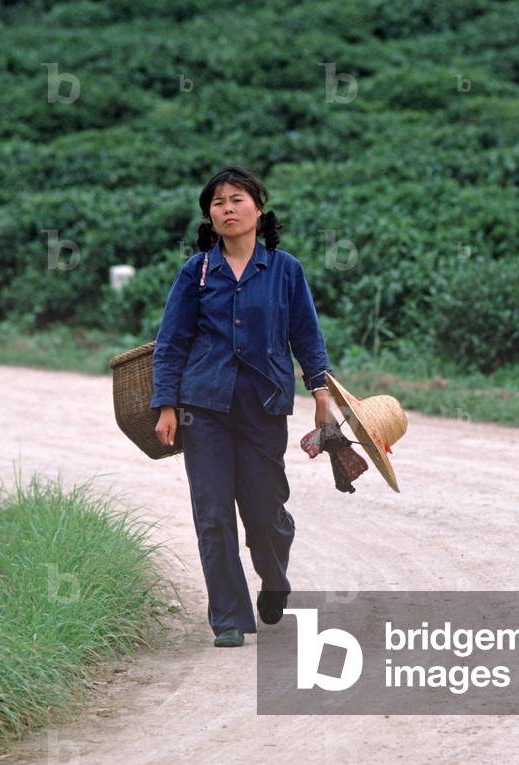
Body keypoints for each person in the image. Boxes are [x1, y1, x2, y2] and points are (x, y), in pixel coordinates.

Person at [149, 165, 336, 648]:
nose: (227, 209)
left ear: (258, 207)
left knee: (265, 512)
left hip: (265, 405)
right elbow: (171, 342)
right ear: (209, 216)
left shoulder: (285, 270)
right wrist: (166, 403)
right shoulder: (196, 272)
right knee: (212, 513)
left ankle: (275, 579)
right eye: (217, 202)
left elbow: (307, 337)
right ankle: (229, 618)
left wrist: (321, 393)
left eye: (237, 199)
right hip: (203, 408)